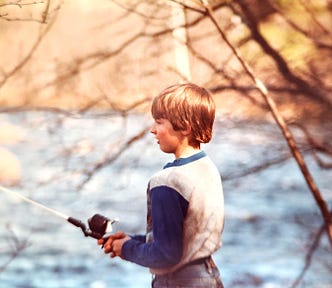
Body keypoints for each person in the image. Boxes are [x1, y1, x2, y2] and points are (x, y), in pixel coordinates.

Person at [98, 83, 225, 288]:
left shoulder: (167, 181)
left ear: (184, 126)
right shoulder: (207, 168)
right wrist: (133, 240)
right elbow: (185, 239)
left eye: (159, 122)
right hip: (209, 278)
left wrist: (127, 249)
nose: (153, 130)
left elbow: (167, 255)